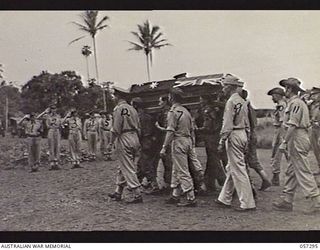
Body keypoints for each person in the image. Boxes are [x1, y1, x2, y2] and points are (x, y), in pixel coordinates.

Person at [272, 78, 320, 213]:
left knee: (303, 170)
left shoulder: (296, 103)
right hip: (296, 137)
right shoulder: (293, 103)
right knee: (291, 171)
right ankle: (287, 200)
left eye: (286, 88)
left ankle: (316, 201)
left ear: (290, 89)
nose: (284, 91)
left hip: (297, 137)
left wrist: (284, 142)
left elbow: (293, 125)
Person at [215, 75, 256, 212]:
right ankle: (224, 198)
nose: (223, 89)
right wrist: (248, 137)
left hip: (234, 134)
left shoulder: (231, 102)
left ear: (230, 87)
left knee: (238, 169)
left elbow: (227, 124)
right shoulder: (243, 101)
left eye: (225, 86)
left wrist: (222, 140)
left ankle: (247, 203)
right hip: (243, 133)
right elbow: (247, 123)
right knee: (232, 167)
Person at [160, 87, 197, 207]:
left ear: (171, 97)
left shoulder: (173, 112)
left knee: (182, 170)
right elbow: (192, 130)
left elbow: (170, 131)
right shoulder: (186, 111)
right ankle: (175, 194)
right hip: (187, 140)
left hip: (179, 140)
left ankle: (191, 197)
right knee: (176, 169)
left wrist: (164, 146)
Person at [108, 87, 142, 204]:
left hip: (124, 136)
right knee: (123, 166)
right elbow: (139, 126)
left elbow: (116, 129)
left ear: (118, 96)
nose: (114, 98)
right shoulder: (132, 109)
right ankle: (118, 191)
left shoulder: (118, 109)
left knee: (127, 167)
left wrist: (110, 143)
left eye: (114, 96)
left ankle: (137, 194)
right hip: (135, 136)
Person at [240, 89, 271, 191]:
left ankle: (251, 185)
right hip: (252, 134)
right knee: (252, 160)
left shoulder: (243, 107)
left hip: (247, 134)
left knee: (245, 160)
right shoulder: (250, 107)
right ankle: (264, 179)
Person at [197, 94, 226, 192]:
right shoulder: (217, 109)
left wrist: (197, 130)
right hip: (217, 136)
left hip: (211, 138)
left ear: (205, 100)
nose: (200, 102)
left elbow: (208, 127)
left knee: (214, 160)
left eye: (201, 99)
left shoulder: (208, 110)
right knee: (211, 161)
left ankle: (224, 181)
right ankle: (209, 183)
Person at [132, 97, 160, 194]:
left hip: (144, 142)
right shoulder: (149, 116)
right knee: (141, 164)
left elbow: (139, 132)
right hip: (151, 142)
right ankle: (137, 184)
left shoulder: (138, 117)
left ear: (135, 106)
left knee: (146, 165)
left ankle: (154, 186)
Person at [267, 87, 288, 186]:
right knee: (285, 154)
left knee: (276, 154)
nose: (272, 98)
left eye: (273, 96)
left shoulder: (282, 105)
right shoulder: (281, 105)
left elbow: (283, 121)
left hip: (281, 130)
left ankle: (276, 178)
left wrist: (282, 137)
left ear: (277, 95)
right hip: (280, 130)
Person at [154, 96, 173, 192]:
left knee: (169, 162)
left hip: (168, 140)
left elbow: (168, 128)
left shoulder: (167, 112)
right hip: (164, 140)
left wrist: (158, 127)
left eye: (160, 101)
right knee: (166, 162)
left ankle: (170, 185)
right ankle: (168, 183)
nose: (159, 103)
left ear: (165, 102)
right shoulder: (162, 112)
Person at [38, 104, 62, 170]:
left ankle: (56, 163)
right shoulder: (47, 116)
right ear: (50, 109)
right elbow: (38, 117)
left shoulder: (58, 116)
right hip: (50, 130)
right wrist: (44, 112)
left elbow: (61, 124)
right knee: (51, 146)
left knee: (57, 147)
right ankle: (52, 163)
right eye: (52, 108)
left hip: (57, 130)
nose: (53, 110)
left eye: (54, 108)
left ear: (56, 109)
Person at [309, 87, 320, 174]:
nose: (313, 96)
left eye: (315, 94)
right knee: (315, 149)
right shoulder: (311, 105)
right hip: (313, 129)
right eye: (312, 95)